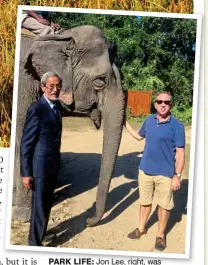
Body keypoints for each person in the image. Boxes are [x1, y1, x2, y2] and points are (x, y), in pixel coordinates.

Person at [124, 91, 185, 251]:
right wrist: (124, 122)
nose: (163, 104)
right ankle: (141, 228)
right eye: (159, 101)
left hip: (165, 174)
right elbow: (138, 136)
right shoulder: (149, 121)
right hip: (145, 171)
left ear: (171, 105)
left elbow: (180, 153)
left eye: (166, 102)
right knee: (144, 203)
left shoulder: (177, 126)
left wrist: (177, 175)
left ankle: (160, 235)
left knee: (164, 206)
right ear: (155, 103)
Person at [20, 72, 63, 246]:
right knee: (39, 206)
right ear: (43, 87)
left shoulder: (57, 106)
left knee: (47, 203)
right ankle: (34, 245)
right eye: (51, 86)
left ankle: (41, 234)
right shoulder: (36, 108)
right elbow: (26, 143)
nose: (55, 89)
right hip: (39, 166)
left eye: (58, 85)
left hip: (53, 164)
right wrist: (26, 172)